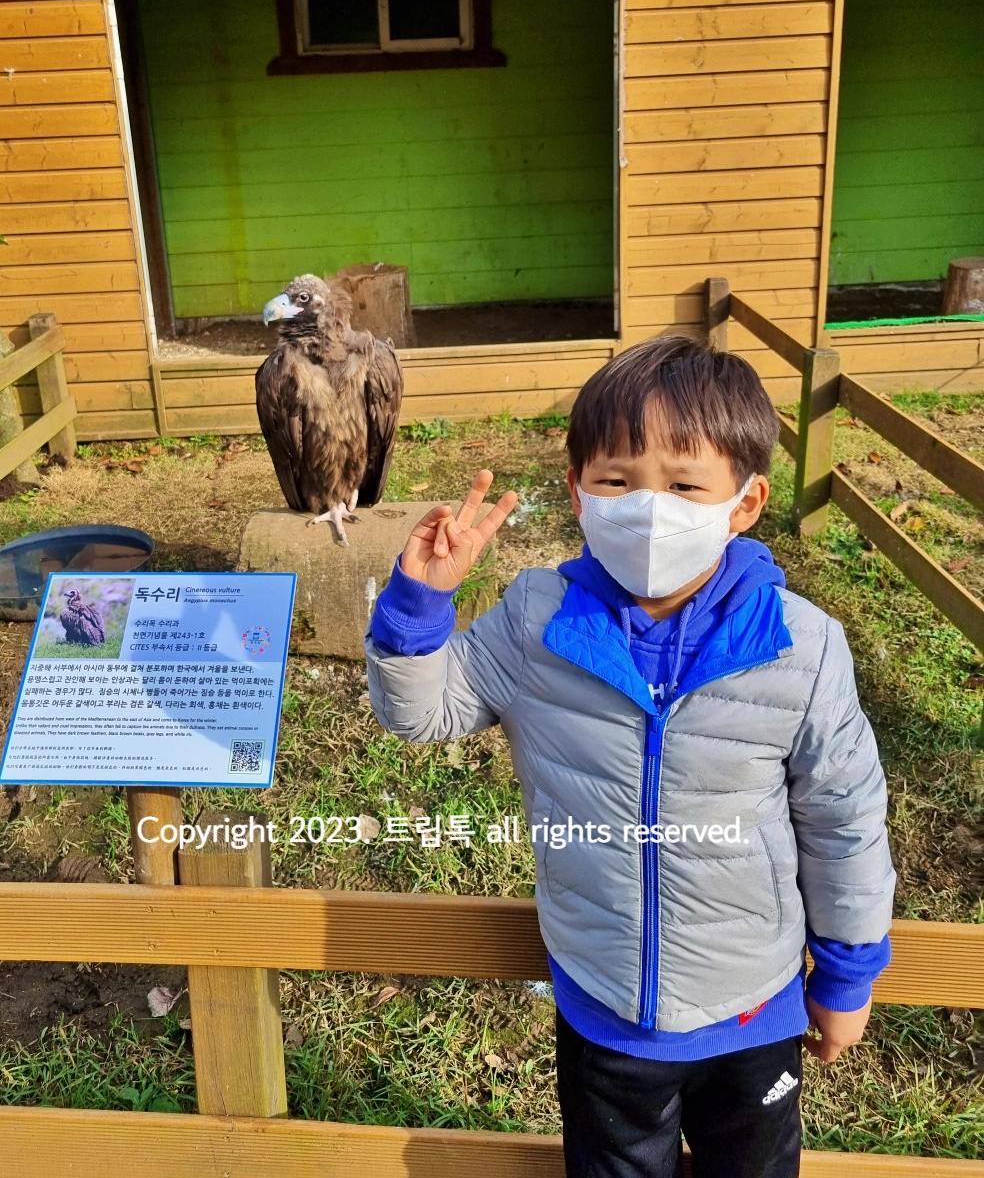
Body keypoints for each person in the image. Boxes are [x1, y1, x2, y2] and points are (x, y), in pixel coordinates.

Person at [364, 334, 895, 1178]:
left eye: (686, 484)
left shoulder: (803, 646)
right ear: (579, 493)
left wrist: (847, 976)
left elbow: (845, 823)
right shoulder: (537, 621)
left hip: (753, 1007)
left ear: (746, 501)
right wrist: (421, 601)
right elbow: (420, 713)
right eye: (617, 480)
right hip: (602, 1004)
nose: (649, 508)